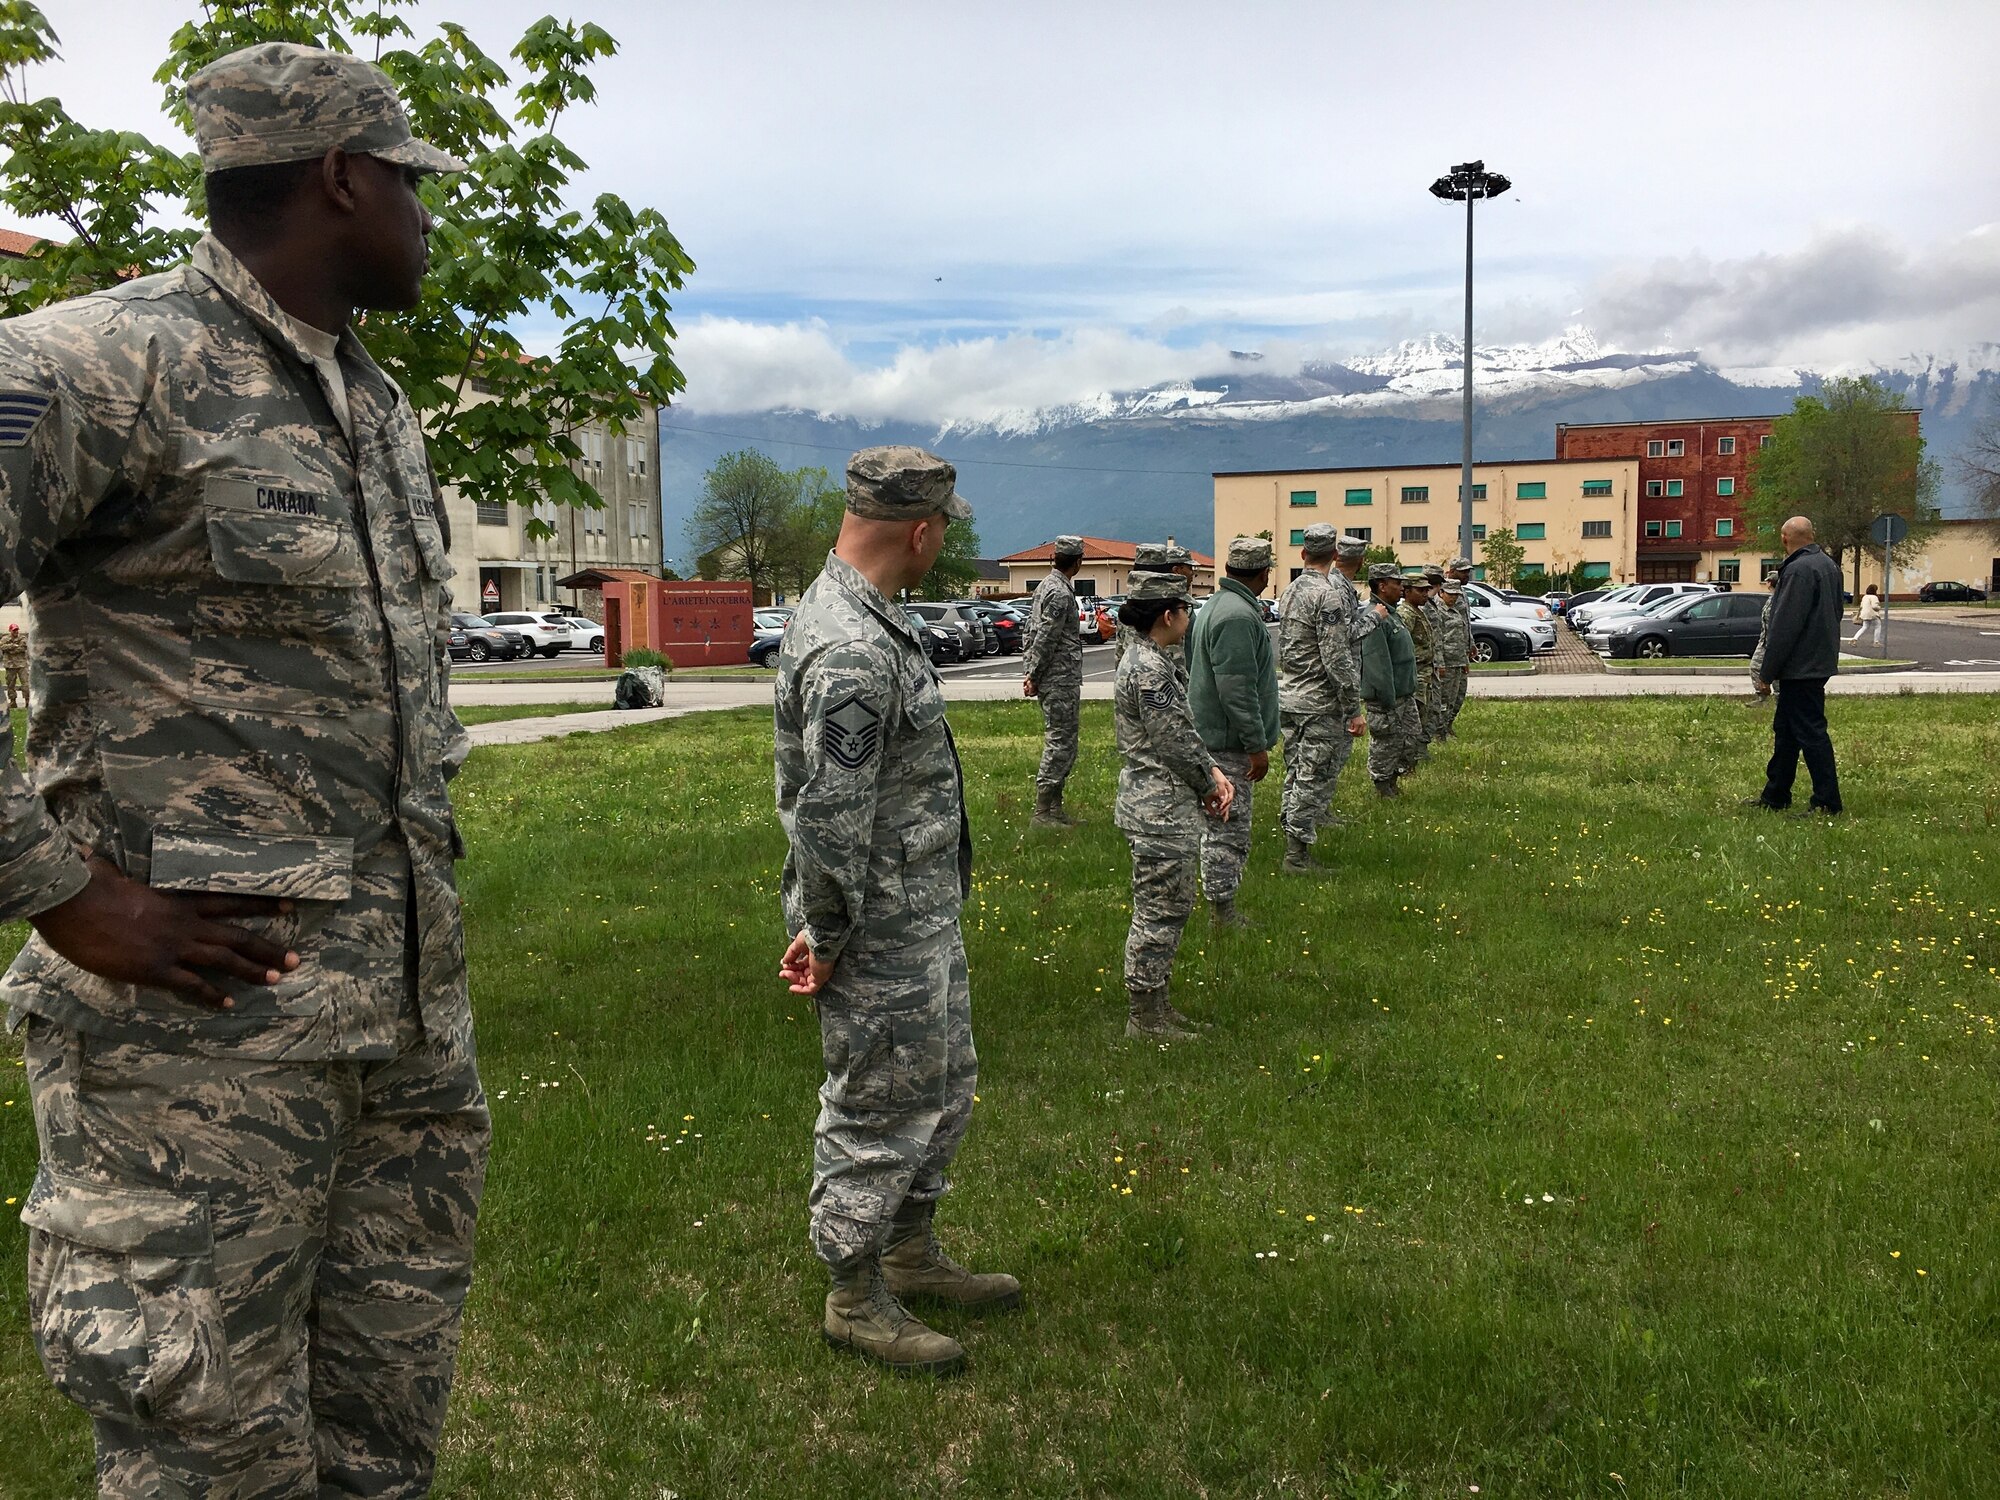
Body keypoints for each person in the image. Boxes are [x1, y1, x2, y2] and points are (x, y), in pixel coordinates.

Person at [2, 43, 489, 1495]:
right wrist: (52, 888)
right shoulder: (94, 363)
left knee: (378, 1439)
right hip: (189, 1057)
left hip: (395, 1032)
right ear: (342, 177)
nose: (425, 218)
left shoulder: (375, 404)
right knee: (206, 1449)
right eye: (412, 185)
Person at [775, 444, 1018, 1379]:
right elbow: (832, 820)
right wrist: (827, 938)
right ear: (920, 531)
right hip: (873, 926)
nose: (942, 543)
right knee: (879, 1099)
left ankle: (911, 1251)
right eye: (944, 528)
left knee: (942, 1083)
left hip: (915, 911)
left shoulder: (867, 618)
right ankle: (853, 1290)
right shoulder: (850, 649)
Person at [1112, 572, 1233, 1038]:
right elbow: (1174, 742)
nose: (1189, 617)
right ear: (1168, 615)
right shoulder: (1148, 669)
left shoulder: (1152, 660)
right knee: (1159, 910)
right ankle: (1144, 1017)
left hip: (1163, 806)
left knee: (1170, 905)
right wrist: (1208, 783)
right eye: (1186, 609)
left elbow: (1183, 734)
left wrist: (1212, 772)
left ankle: (1157, 1005)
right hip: (1158, 811)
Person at [1187, 536, 1281, 928]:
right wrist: (1256, 745)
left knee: (1221, 826)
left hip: (1216, 736)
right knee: (1228, 829)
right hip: (1228, 742)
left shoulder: (1216, 605)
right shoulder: (1238, 616)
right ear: (1263, 574)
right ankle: (1222, 913)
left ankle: (1221, 908)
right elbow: (1236, 689)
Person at [1275, 524, 1364, 875]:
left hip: (1291, 695)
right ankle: (1296, 855)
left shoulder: (1291, 590)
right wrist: (1352, 708)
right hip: (1318, 702)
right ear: (1336, 555)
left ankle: (1289, 830)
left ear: (1302, 553)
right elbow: (1336, 656)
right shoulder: (1327, 595)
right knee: (1312, 776)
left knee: (1296, 770)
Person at [1747, 515, 1844, 817]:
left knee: (1811, 732)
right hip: (1818, 660)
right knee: (1786, 731)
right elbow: (1837, 613)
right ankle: (1776, 794)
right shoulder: (1828, 565)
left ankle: (1827, 802)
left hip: (1800, 666)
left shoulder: (1798, 570)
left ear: (1784, 537)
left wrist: (1767, 672)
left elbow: (1784, 626)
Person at [1022, 534, 1086, 827]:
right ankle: (1044, 811)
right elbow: (1047, 637)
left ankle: (1054, 808)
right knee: (1061, 743)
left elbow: (1029, 630)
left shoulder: (1045, 586)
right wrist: (1033, 674)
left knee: (1063, 741)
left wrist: (1030, 671)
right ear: (1078, 562)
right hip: (1058, 678)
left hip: (1053, 676)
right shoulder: (1059, 593)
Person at [1359, 566, 1421, 796]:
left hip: (1404, 693)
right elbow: (1376, 662)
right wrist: (1386, 697)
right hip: (1387, 697)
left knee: (1410, 738)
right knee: (1387, 742)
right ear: (1382, 586)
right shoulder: (1375, 616)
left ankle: (1394, 778)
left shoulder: (1391, 613)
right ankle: (1383, 784)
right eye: (1396, 583)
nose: (1402, 587)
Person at [1398, 574, 1440, 754]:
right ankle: (1408, 758)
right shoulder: (1406, 614)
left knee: (1425, 714)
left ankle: (1417, 753)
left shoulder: (1417, 611)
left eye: (1427, 590)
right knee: (1413, 718)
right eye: (1420, 590)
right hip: (1414, 673)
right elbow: (1401, 647)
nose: (1425, 594)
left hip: (1424, 672)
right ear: (1407, 592)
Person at [1435, 576, 1471, 737]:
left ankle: (1447, 726)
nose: (1453, 597)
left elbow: (1461, 636)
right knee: (1443, 699)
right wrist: (1440, 663)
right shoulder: (1437, 611)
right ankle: (1438, 732)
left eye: (1456, 595)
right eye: (1450, 594)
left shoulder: (1455, 611)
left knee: (1456, 697)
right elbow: (1437, 639)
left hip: (1458, 661)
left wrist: (1465, 659)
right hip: (1446, 662)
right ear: (1441, 592)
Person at [1, 621, 25, 710]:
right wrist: (13, 645)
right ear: (10, 630)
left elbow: (23, 647)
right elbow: (2, 647)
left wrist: (10, 649)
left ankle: (27, 701)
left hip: (21, 664)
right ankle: (13, 701)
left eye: (17, 630)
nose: (16, 632)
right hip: (10, 665)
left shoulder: (22, 638)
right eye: (14, 630)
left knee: (25, 684)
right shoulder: (4, 638)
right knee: (10, 684)